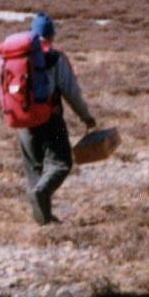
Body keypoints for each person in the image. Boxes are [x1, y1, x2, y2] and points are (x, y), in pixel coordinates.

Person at [17, 12, 97, 226]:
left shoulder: (16, 56)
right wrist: (86, 117)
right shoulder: (54, 56)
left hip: (22, 120)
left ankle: (43, 220)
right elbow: (71, 91)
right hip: (49, 118)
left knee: (35, 167)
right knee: (61, 163)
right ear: (51, 35)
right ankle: (42, 199)